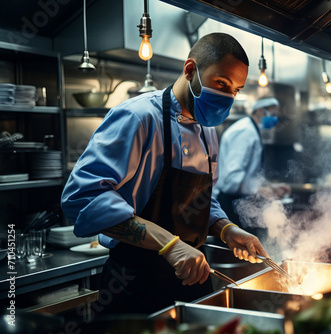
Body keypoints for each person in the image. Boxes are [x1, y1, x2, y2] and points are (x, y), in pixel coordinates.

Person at [60, 33, 269, 316]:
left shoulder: (209, 132)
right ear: (190, 70)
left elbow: (201, 200)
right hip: (134, 286)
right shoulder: (138, 117)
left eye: (236, 89)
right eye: (221, 83)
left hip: (193, 281)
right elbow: (82, 198)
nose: (228, 96)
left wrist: (226, 229)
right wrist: (169, 244)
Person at [213, 97, 291, 239]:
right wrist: (261, 190)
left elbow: (250, 175)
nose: (275, 119)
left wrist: (270, 186)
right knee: (238, 254)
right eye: (273, 114)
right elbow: (232, 178)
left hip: (240, 201)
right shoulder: (245, 132)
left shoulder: (251, 130)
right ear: (261, 110)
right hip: (231, 204)